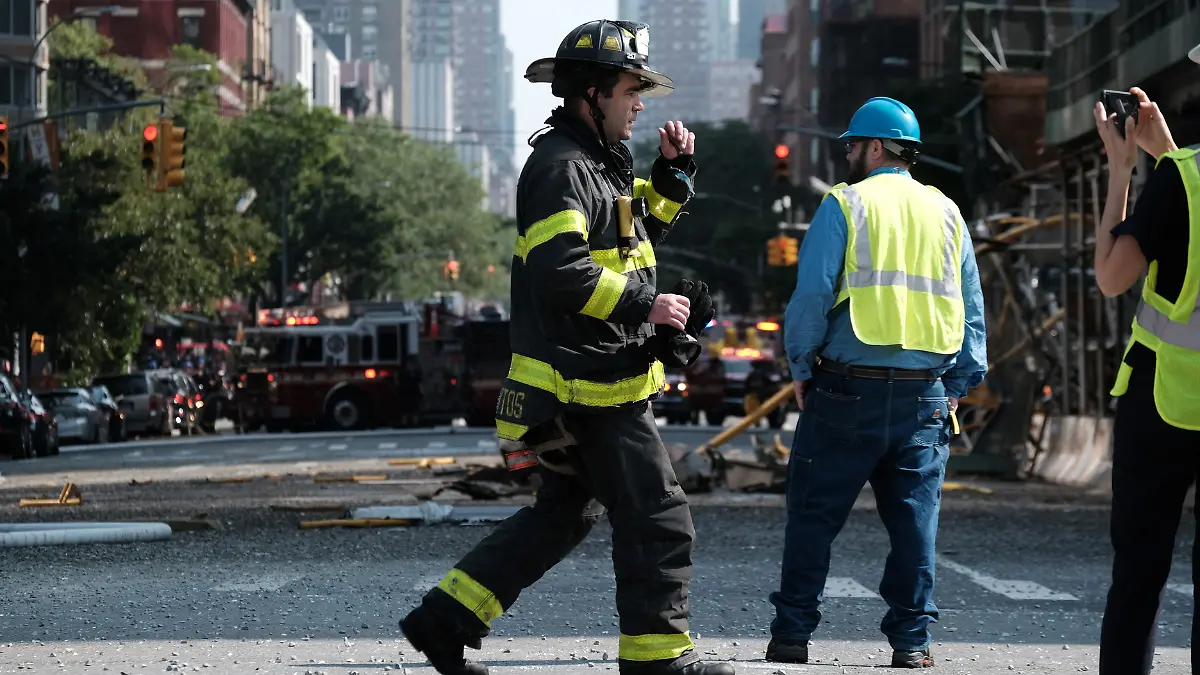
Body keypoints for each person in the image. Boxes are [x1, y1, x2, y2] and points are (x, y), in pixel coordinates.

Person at [397, 18, 733, 675]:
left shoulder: (598, 165)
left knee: (562, 514)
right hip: (590, 387)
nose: (639, 104)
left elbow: (632, 236)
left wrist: (671, 178)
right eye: (630, 90)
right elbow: (562, 270)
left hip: (589, 377)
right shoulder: (561, 168)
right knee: (658, 515)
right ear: (592, 93)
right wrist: (645, 304)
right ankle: (657, 658)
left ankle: (442, 620)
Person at [765, 97, 988, 668]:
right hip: (926, 395)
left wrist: (801, 367)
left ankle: (792, 635)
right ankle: (912, 643)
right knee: (915, 526)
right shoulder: (947, 212)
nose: (847, 155)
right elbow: (970, 307)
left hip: (846, 390)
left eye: (852, 146)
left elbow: (812, 297)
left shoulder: (845, 203)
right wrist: (959, 382)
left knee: (814, 517)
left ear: (875, 147)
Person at [1091, 43, 1200, 675]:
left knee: (1140, 570)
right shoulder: (1181, 173)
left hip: (1164, 404)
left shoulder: (1182, 180)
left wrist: (1124, 168)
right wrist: (1168, 156)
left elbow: (1112, 277)